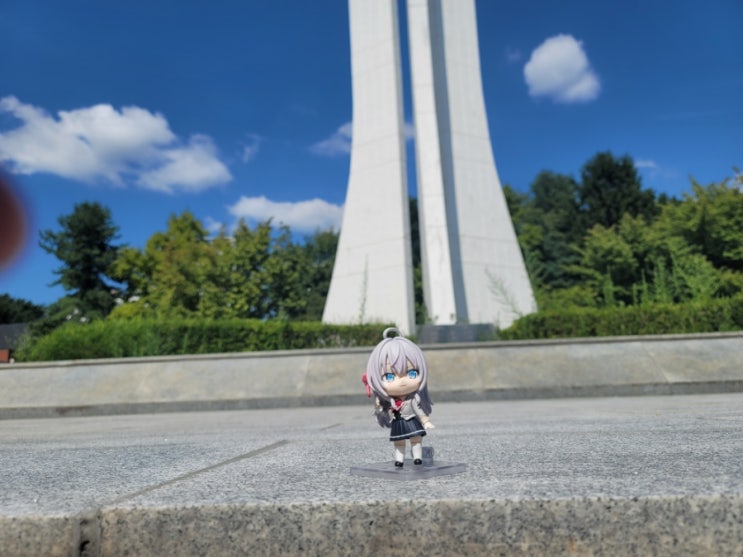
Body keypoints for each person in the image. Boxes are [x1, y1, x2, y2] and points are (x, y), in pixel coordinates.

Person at [363, 327, 434, 467]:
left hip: (411, 420)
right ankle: (399, 460)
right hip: (398, 422)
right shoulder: (389, 402)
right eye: (389, 376)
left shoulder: (412, 399)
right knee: (399, 442)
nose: (402, 381)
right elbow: (383, 411)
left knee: (416, 439)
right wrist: (379, 406)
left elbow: (418, 409)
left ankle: (417, 458)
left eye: (412, 373)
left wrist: (425, 421)